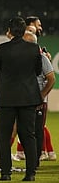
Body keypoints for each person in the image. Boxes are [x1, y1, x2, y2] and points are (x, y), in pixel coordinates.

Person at [0, 16, 42, 182]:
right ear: (24, 30)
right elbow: (38, 71)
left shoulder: (2, 49)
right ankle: (31, 173)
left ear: (9, 31)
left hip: (7, 98)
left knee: (4, 136)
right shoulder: (34, 48)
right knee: (29, 135)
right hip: (28, 97)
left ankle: (5, 173)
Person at [22, 31, 56, 168]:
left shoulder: (42, 59)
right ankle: (30, 160)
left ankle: (34, 163)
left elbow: (51, 79)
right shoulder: (21, 58)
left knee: (36, 130)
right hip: (23, 100)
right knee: (24, 131)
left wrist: (41, 96)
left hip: (37, 102)